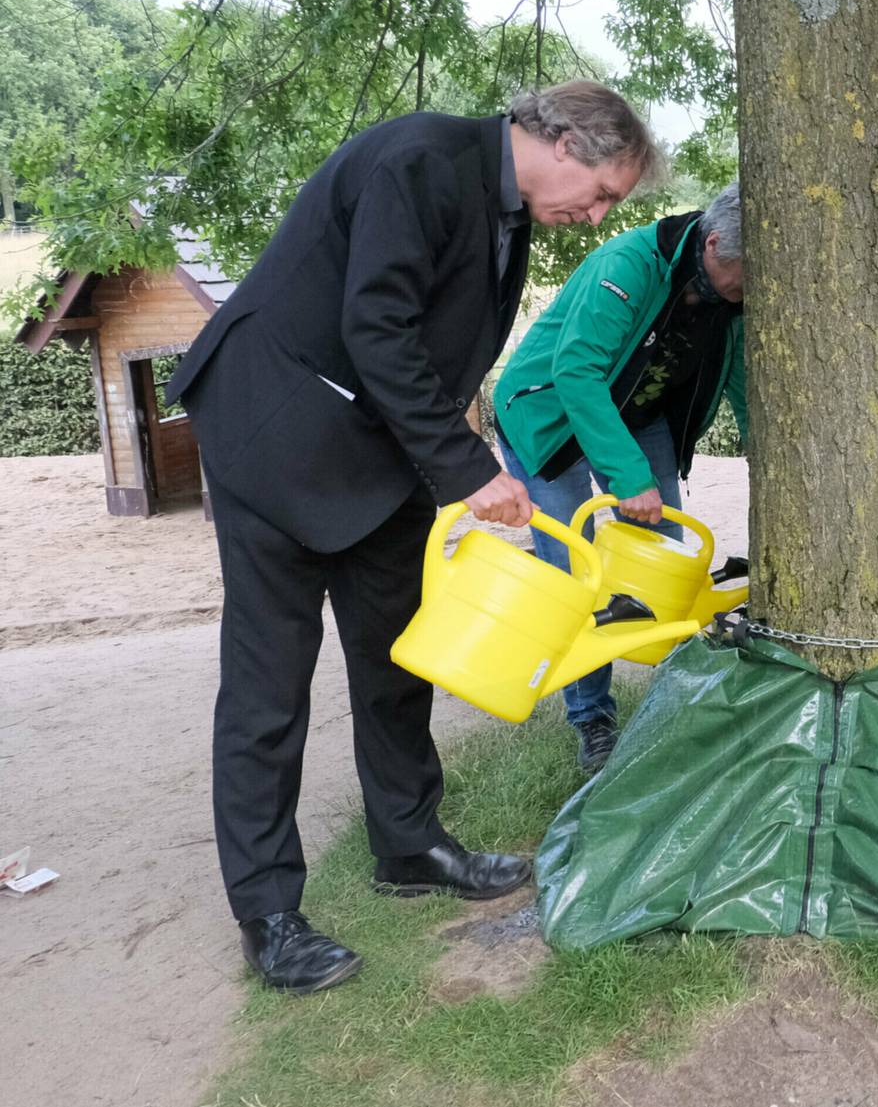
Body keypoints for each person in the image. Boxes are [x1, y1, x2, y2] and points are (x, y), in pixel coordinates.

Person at [165, 81, 662, 996]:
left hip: (379, 452)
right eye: (598, 193)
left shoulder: (506, 210)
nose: (595, 218)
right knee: (270, 684)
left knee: (398, 654)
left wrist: (444, 466)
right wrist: (471, 470)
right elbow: (378, 327)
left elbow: (437, 350)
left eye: (610, 208)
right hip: (274, 432)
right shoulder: (418, 162)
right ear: (556, 136)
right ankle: (269, 912)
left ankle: (410, 845)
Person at [493, 183, 749, 772]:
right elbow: (577, 372)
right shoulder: (629, 265)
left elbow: (737, 378)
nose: (749, 292)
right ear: (713, 245)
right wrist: (628, 475)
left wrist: (765, 454)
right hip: (548, 415)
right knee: (574, 570)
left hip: (637, 413)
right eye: (744, 277)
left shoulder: (731, 293)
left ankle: (674, 702)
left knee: (665, 555)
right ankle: (592, 720)